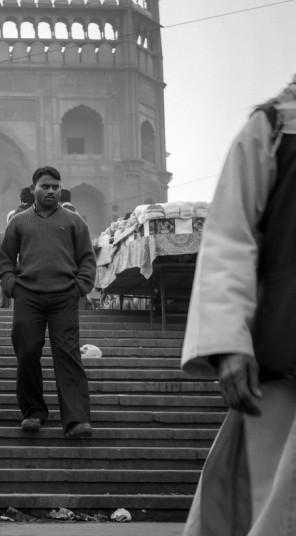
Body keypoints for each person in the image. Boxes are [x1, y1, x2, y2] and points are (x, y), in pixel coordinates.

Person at [180, 78, 296, 536]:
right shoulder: (275, 127)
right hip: (286, 352)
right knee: (273, 509)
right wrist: (229, 341)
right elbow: (231, 236)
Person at [0, 166, 96, 438]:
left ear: (60, 189)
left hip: (64, 295)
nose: (50, 191)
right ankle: (33, 412)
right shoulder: (18, 222)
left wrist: (80, 287)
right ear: (33, 190)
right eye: (45, 186)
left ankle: (76, 418)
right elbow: (6, 259)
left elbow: (87, 258)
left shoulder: (74, 221)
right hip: (28, 295)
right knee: (27, 351)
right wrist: (10, 285)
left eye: (55, 186)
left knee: (67, 353)